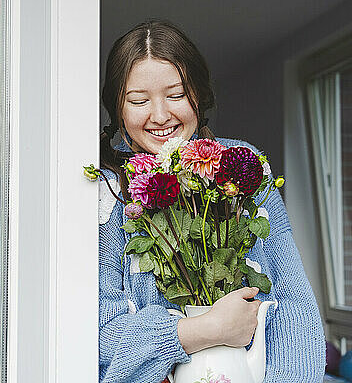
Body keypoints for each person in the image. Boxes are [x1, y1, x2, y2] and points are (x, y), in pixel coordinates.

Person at [98, 20, 325, 382]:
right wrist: (207, 330)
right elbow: (95, 338)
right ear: (118, 110)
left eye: (175, 95)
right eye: (139, 100)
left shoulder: (242, 165)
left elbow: (293, 305)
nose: (160, 116)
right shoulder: (104, 194)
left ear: (198, 96)